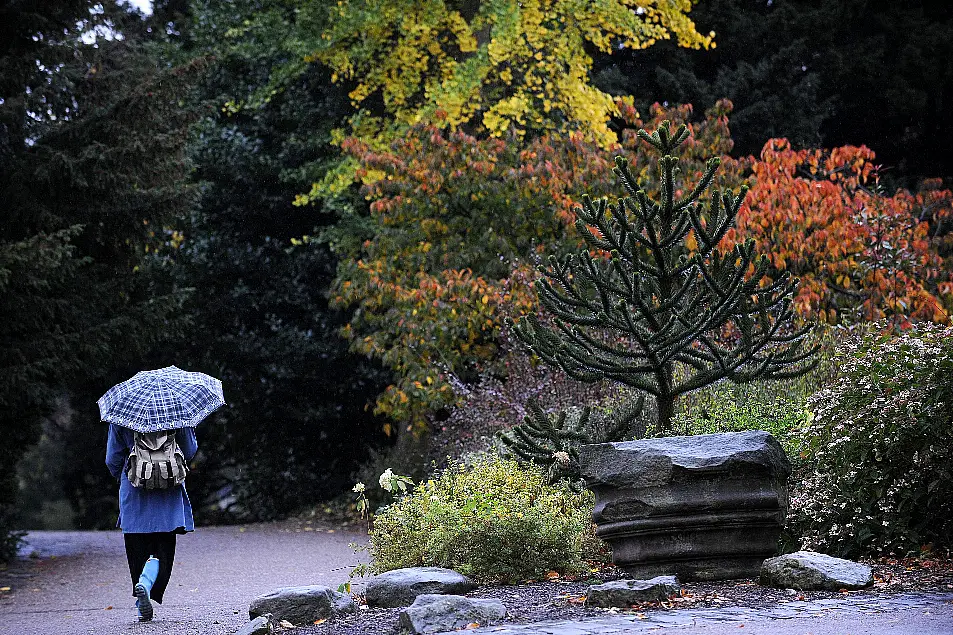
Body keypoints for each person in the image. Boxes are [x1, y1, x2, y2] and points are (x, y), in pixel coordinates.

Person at [105, 424, 198, 622]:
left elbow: (112, 458)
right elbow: (189, 449)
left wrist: (124, 473)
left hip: (134, 486)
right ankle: (146, 585)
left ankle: (141, 602)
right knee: (162, 547)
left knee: (137, 548)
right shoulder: (175, 411)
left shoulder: (123, 415)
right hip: (168, 484)